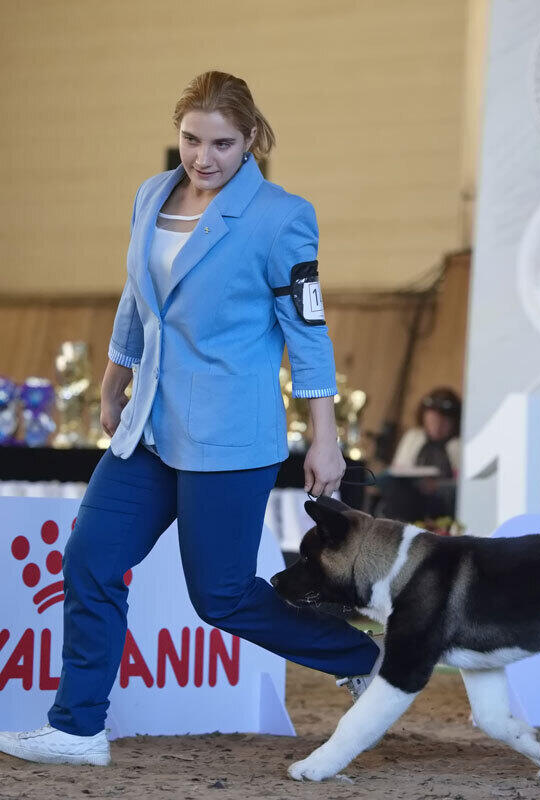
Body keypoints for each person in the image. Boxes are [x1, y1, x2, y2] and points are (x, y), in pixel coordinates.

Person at [0, 71, 380, 766]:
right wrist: (115, 378)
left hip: (230, 437)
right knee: (90, 559)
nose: (203, 158)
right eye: (191, 139)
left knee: (223, 597)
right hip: (147, 427)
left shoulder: (280, 216)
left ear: (252, 140)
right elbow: (137, 296)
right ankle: (78, 727)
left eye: (223, 144)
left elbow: (308, 334)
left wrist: (324, 438)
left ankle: (363, 659)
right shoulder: (152, 193)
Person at [377, 388, 461, 521]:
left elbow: (463, 485)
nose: (437, 427)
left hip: (441, 501)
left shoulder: (458, 445)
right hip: (411, 494)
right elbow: (399, 469)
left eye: (444, 423)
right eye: (433, 421)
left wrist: (437, 486)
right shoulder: (414, 437)